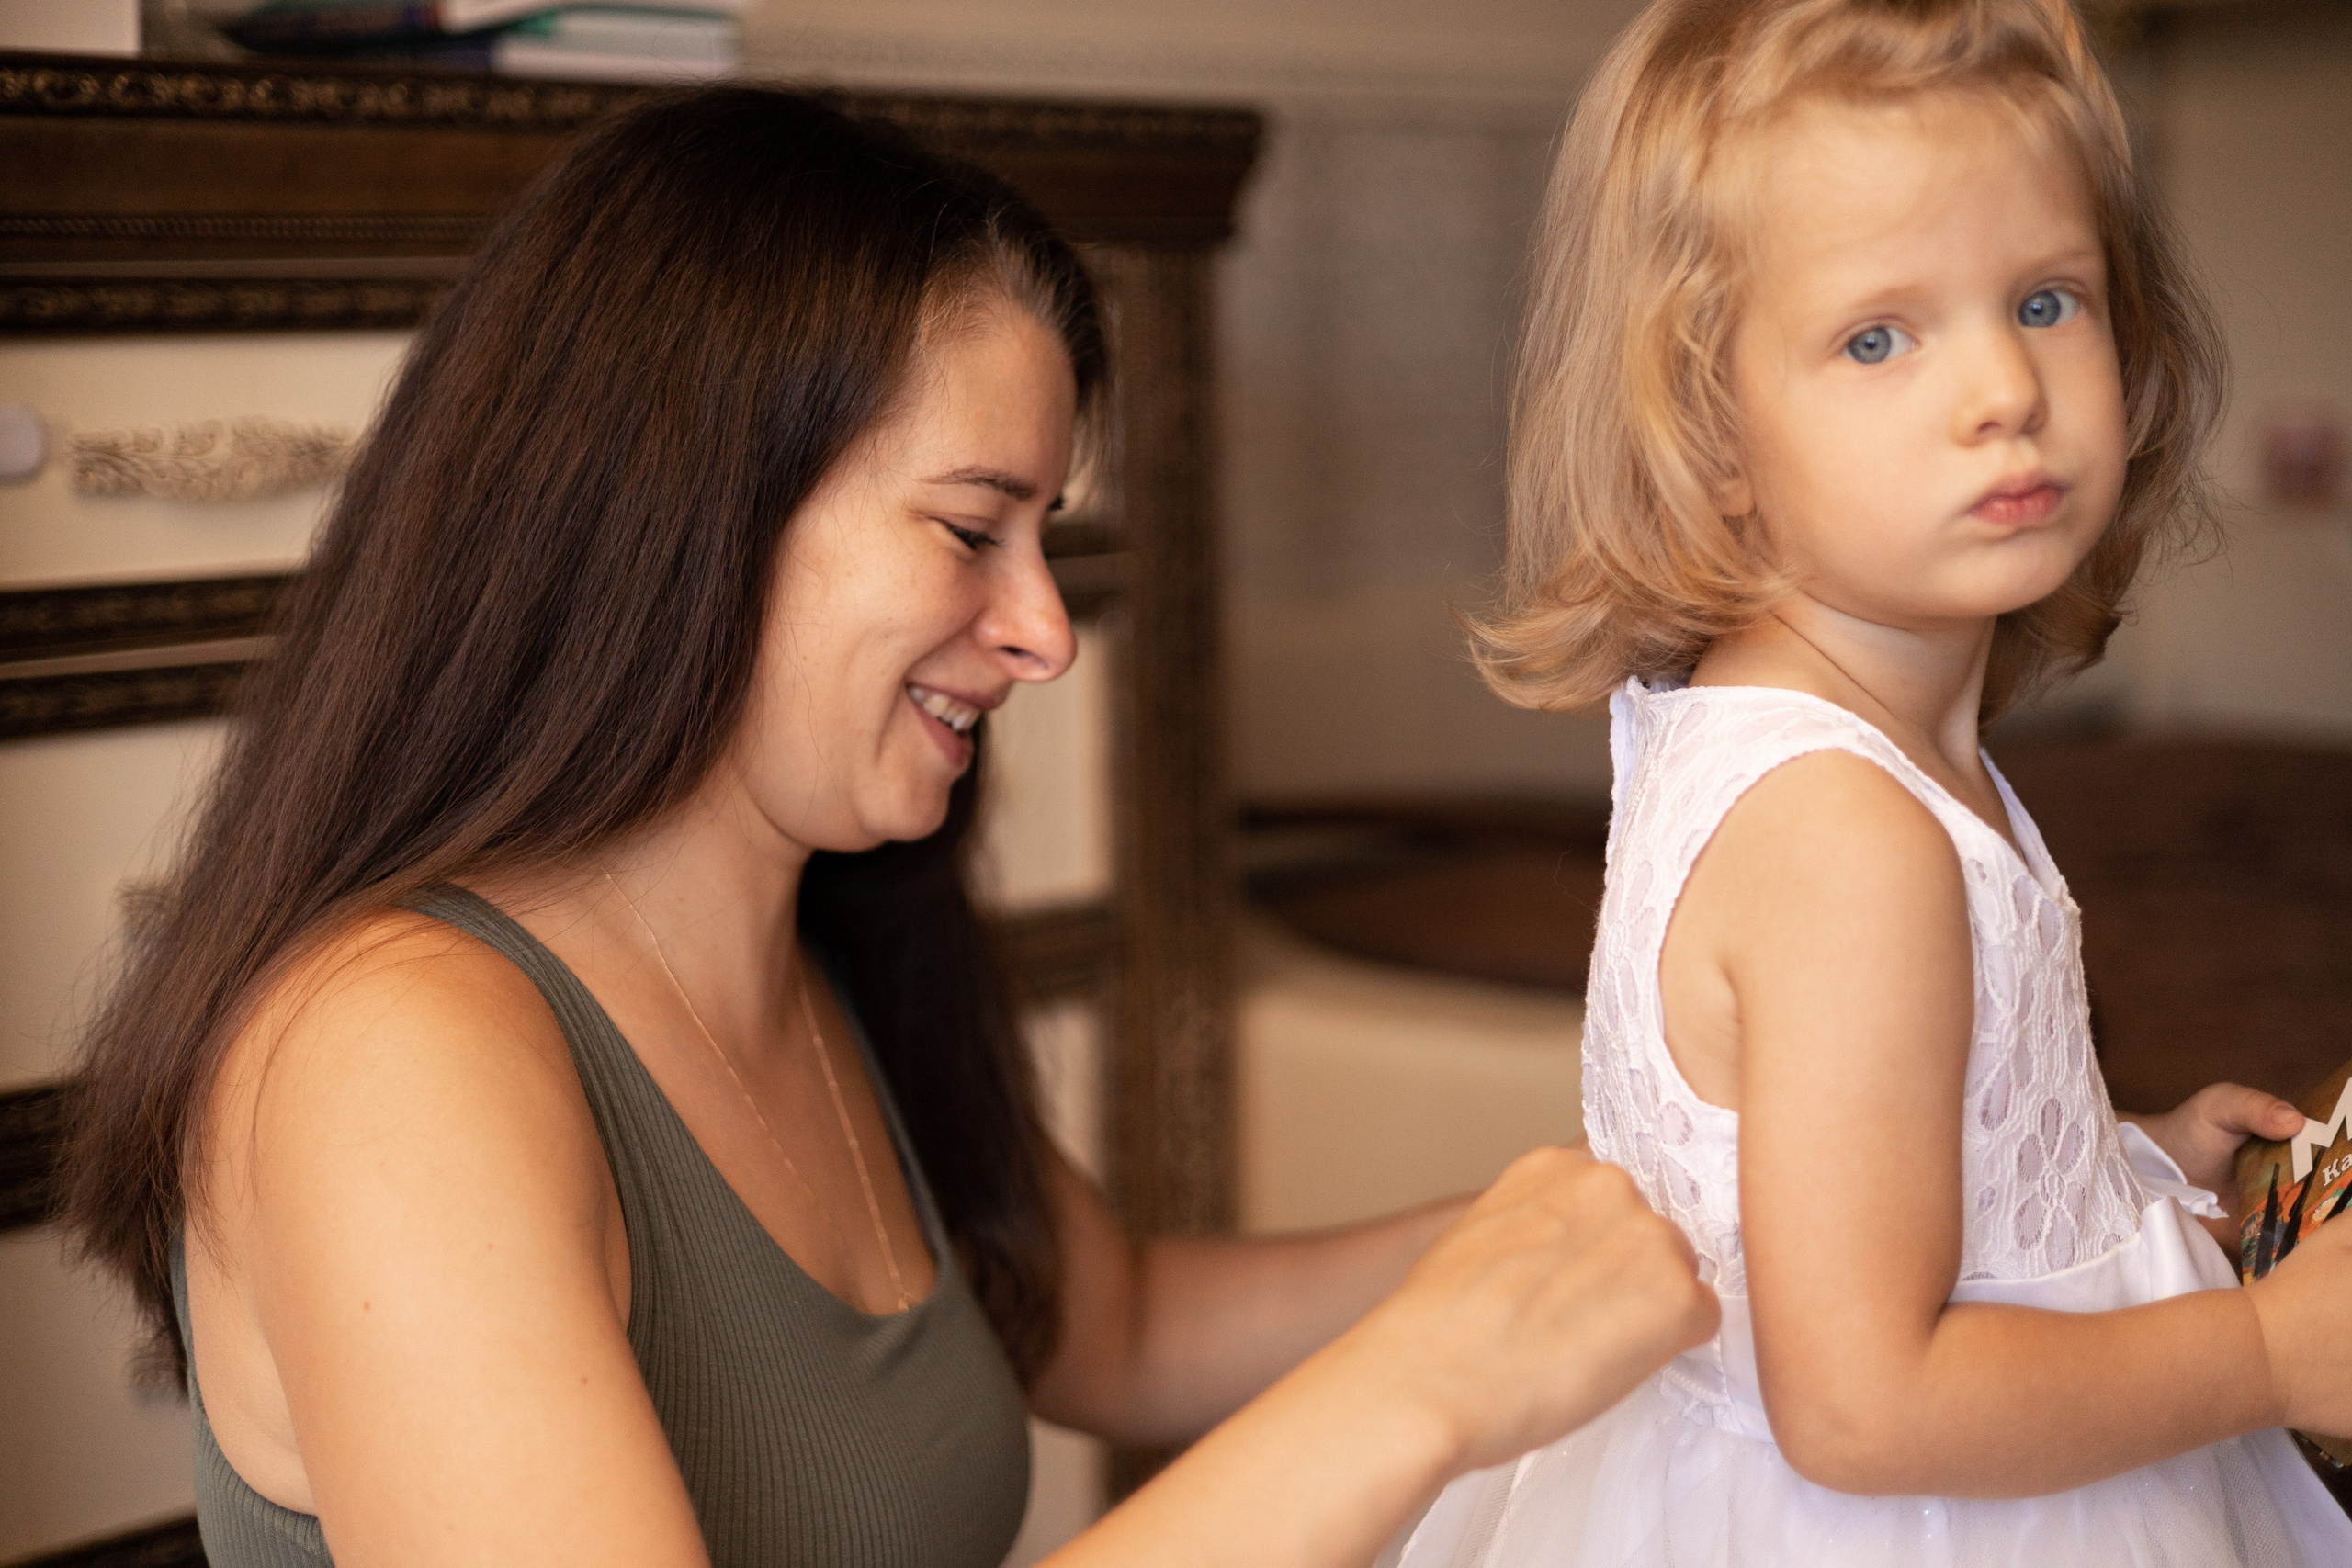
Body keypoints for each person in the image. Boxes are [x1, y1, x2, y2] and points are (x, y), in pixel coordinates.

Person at [61, 88, 1717, 1568]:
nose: (1046, 632)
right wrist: (1418, 1386)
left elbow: (1115, 1324)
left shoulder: (825, 939)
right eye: (970, 528)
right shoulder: (389, 1057)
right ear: (686, 504)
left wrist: (1611, 1219)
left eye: (1042, 538)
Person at [1387, 1, 2352, 1563]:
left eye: (2046, 299)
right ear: (1709, 434)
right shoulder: (1849, 841)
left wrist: (2111, 1164)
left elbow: (1866, 1172)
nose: (2001, 390)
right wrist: (2272, 1354)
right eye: (1879, 336)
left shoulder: (1817, 745)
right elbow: (1863, 1403)